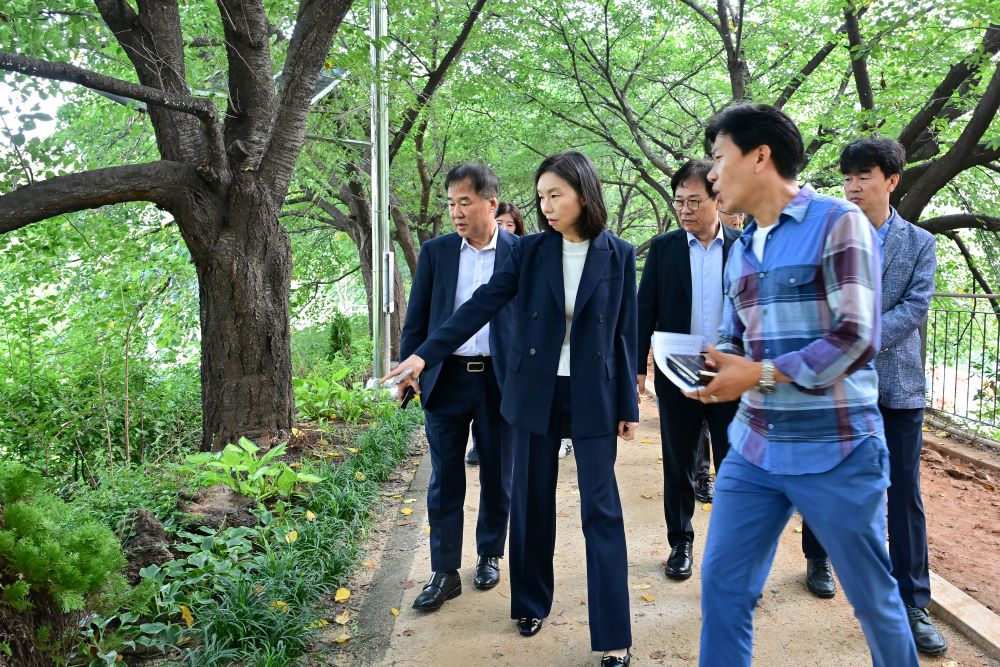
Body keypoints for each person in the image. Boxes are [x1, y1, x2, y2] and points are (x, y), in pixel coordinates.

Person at [384, 151, 638, 666]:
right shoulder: (530, 252)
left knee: (603, 513)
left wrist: (628, 403)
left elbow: (625, 334)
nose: (545, 205)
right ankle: (529, 602)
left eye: (555, 195)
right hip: (534, 393)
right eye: (541, 196)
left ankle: (613, 634)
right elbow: (479, 304)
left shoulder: (619, 253)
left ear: (584, 195)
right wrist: (422, 355)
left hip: (593, 395)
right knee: (530, 502)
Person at [690, 103, 918, 666]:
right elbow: (734, 337)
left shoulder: (838, 221)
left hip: (836, 448)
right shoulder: (742, 248)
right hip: (754, 449)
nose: (712, 175)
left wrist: (761, 374)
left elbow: (857, 337)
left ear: (760, 157)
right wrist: (717, 368)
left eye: (719, 160)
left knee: (872, 599)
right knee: (722, 590)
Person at [798, 137, 945, 655]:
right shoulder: (827, 237)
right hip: (835, 384)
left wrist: (857, 336)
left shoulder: (920, 243)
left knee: (903, 495)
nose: (854, 186)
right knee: (825, 475)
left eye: (864, 176)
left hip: (897, 388)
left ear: (892, 180)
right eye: (848, 178)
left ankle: (913, 602)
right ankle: (818, 556)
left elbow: (916, 306)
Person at [399, 163, 516, 612]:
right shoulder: (437, 253)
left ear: (491, 203)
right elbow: (418, 319)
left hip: (499, 383)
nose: (455, 212)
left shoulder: (519, 253)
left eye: (464, 202)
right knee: (444, 479)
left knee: (497, 476)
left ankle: (490, 554)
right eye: (451, 203)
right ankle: (444, 571)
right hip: (446, 380)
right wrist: (413, 372)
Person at [636, 159, 740, 580]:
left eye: (694, 201)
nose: (685, 210)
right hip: (676, 374)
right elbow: (645, 311)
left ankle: (732, 549)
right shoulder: (664, 249)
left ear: (718, 200)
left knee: (733, 465)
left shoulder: (744, 246)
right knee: (677, 462)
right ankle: (680, 542)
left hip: (731, 373)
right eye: (679, 201)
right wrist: (636, 371)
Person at [467, 201, 527, 466]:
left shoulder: (522, 253)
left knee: (503, 427)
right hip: (461, 359)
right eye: (499, 221)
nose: (503, 228)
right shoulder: (442, 250)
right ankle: (478, 445)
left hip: (505, 354)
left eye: (510, 224)